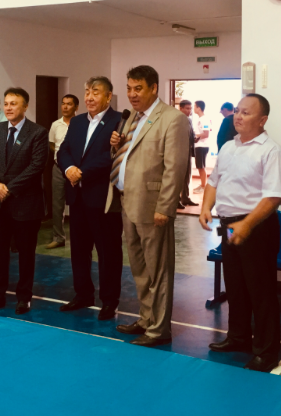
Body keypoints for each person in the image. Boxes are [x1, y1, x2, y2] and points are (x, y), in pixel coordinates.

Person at [200, 94, 281, 373]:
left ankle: (266, 351)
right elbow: (214, 181)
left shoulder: (272, 151)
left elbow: (273, 197)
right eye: (237, 111)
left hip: (256, 227)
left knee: (260, 291)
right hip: (229, 225)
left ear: (262, 120)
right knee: (236, 286)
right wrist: (205, 207)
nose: (238, 116)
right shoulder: (228, 146)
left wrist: (247, 224)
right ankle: (238, 337)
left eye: (246, 113)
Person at [106, 66, 189, 347]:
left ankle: (159, 329)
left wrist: (165, 207)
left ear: (154, 88)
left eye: (138, 88)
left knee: (158, 271)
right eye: (129, 88)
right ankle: (146, 319)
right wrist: (116, 145)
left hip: (153, 207)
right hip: (128, 202)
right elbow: (131, 156)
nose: (132, 94)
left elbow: (175, 168)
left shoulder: (173, 119)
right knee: (140, 269)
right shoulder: (131, 117)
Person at [0, 87, 48, 315]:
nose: (8, 108)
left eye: (13, 103)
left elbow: (36, 166)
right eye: (6, 104)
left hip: (25, 204)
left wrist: (8, 189)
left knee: (26, 254)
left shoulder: (37, 132)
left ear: (25, 106)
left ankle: (24, 297)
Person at [57, 77, 123, 319]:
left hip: (103, 198)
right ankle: (83, 294)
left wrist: (82, 172)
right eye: (87, 92)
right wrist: (68, 169)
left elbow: (113, 156)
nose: (89, 97)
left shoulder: (119, 121)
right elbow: (63, 150)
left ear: (108, 96)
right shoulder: (76, 122)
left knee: (108, 252)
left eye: (95, 92)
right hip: (77, 196)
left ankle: (109, 301)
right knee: (79, 250)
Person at [44, 93, 79, 249]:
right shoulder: (55, 125)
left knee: (77, 203)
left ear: (76, 107)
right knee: (57, 205)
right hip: (58, 169)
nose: (65, 107)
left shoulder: (81, 123)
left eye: (69, 104)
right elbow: (52, 144)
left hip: (76, 170)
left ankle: (79, 237)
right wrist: (62, 158)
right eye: (63, 103)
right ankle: (58, 237)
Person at [178, 99, 197, 209]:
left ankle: (185, 197)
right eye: (187, 108)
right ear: (181, 108)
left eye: (190, 108)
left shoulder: (189, 120)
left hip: (188, 151)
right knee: (178, 176)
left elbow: (190, 134)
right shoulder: (176, 119)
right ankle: (176, 200)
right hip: (179, 152)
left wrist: (194, 138)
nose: (189, 111)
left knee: (187, 175)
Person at [192, 100, 211, 194]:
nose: (193, 108)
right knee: (200, 166)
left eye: (194, 106)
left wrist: (195, 136)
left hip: (202, 146)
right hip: (199, 146)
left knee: (201, 167)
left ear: (199, 108)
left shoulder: (204, 119)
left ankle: (203, 186)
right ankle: (203, 185)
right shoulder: (200, 119)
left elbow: (206, 134)